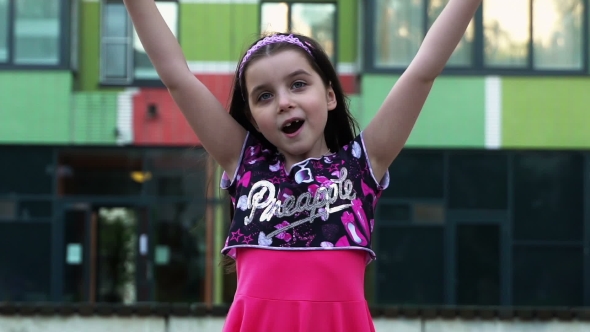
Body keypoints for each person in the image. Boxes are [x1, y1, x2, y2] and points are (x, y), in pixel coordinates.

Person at [123, 0, 482, 331]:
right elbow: (177, 77)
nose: (283, 102)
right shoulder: (244, 162)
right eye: (264, 95)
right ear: (251, 116)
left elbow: (422, 71)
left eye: (298, 84)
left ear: (329, 95)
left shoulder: (361, 165)